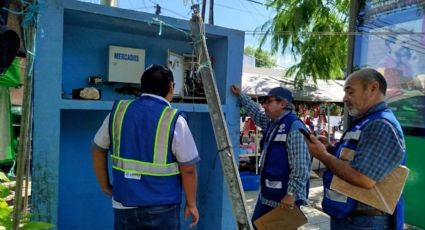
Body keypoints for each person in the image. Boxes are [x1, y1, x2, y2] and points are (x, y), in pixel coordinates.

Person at [92, 64, 200, 229]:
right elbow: (188, 169)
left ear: (142, 86)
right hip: (162, 207)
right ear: (171, 86)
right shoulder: (174, 120)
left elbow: (98, 148)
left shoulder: (119, 112)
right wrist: (191, 204)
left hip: (123, 204)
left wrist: (104, 185)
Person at [305, 68, 406, 230]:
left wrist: (322, 155)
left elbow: (363, 178)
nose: (345, 98)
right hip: (351, 216)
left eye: (350, 92)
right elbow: (355, 159)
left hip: (364, 222)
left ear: (373, 88)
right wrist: (330, 149)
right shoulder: (365, 121)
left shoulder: (380, 125)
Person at [230, 85, 311, 227]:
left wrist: (291, 194)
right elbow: (256, 112)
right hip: (268, 196)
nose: (264, 105)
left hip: (285, 200)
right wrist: (241, 95)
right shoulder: (272, 122)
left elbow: (301, 166)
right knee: (257, 225)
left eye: (269, 101)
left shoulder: (294, 127)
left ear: (283, 104)